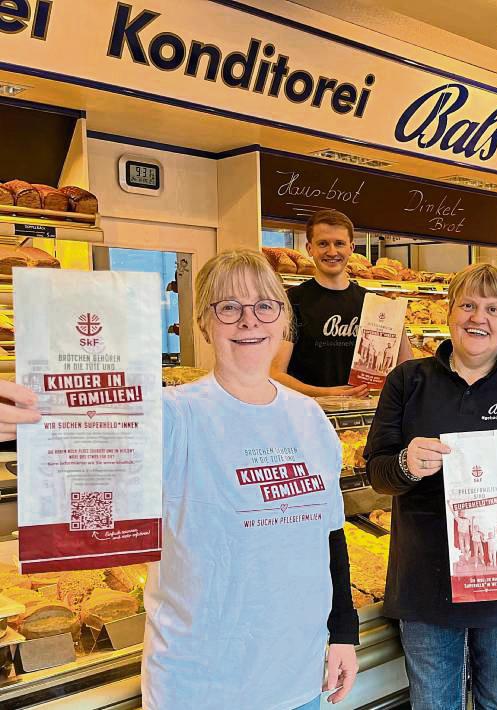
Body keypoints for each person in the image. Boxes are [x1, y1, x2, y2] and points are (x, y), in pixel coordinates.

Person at [1, 249, 360, 709]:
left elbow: (330, 538)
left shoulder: (310, 418)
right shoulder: (171, 415)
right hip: (200, 687)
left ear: (283, 319)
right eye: (228, 307)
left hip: (301, 681)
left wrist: (343, 633)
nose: (249, 321)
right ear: (204, 325)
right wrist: (20, 426)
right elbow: (74, 452)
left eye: (264, 305)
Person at [364, 263, 497, 710]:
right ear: (449, 312)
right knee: (434, 704)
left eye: (493, 308)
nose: (478, 317)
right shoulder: (407, 381)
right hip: (424, 581)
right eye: (468, 305)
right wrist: (406, 463)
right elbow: (377, 473)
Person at [271, 209, 412, 397]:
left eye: (339, 243)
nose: (332, 251)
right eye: (323, 244)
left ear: (351, 248)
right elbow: (275, 374)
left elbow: (406, 370)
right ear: (309, 248)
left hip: (363, 416)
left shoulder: (375, 303)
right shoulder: (291, 301)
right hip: (310, 414)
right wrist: (327, 393)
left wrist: (396, 321)